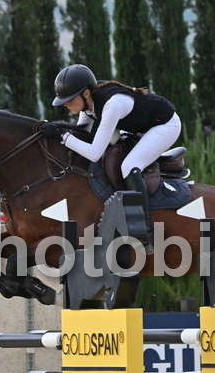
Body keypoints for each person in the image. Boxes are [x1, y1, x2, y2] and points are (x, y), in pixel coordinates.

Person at [41, 64, 182, 243]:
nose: (66, 105)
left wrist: (62, 136)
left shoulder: (112, 105)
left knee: (129, 166)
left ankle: (144, 230)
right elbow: (82, 132)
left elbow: (94, 153)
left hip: (165, 125)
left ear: (86, 93)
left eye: (69, 100)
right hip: (141, 126)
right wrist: (58, 127)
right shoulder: (89, 103)